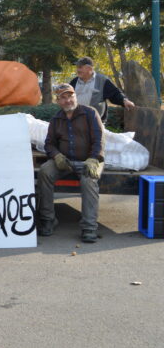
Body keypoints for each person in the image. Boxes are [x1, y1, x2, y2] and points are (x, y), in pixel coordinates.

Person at [38, 83, 105, 243]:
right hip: (65, 161)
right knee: (45, 171)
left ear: (75, 96)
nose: (68, 100)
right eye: (63, 98)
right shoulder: (56, 119)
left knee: (89, 179)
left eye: (70, 96)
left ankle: (89, 227)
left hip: (90, 160)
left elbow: (99, 139)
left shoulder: (90, 113)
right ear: (58, 101)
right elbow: (49, 144)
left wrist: (94, 158)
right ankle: (48, 220)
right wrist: (57, 156)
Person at [69, 56, 135, 123]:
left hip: (95, 122)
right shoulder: (74, 82)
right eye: (77, 67)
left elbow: (115, 93)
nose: (78, 70)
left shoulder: (102, 80)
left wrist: (124, 100)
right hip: (76, 121)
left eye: (80, 67)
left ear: (89, 68)